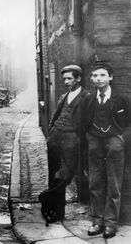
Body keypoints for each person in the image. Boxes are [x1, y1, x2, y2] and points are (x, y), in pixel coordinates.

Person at [82, 62, 131, 239]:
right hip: (94, 141)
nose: (98, 79)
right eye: (95, 76)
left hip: (114, 143)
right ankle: (97, 221)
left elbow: (129, 122)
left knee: (114, 183)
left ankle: (111, 223)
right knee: (95, 181)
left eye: (102, 75)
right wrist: (89, 137)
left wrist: (121, 139)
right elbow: (84, 121)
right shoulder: (88, 99)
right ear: (91, 79)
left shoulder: (121, 99)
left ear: (110, 77)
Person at [45, 64, 90, 222]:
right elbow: (56, 115)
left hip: (72, 139)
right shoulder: (63, 96)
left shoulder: (87, 97)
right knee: (53, 173)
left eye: (69, 78)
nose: (66, 81)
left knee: (66, 175)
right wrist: (51, 132)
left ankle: (46, 197)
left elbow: (88, 122)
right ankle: (57, 212)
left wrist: (80, 139)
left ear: (78, 79)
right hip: (55, 137)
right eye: (64, 79)